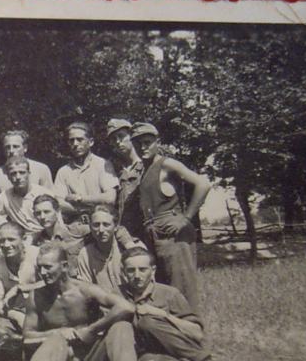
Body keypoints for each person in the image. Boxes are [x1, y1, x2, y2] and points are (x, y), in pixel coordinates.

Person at [9, 243, 153, 361]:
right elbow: (27, 336)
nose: (42, 272)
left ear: (64, 266)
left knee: (121, 325)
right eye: (39, 267)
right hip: (62, 359)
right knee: (56, 339)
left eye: (48, 267)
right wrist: (58, 332)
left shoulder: (84, 290)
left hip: (92, 354)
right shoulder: (36, 297)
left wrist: (91, 329)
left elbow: (126, 307)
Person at [117, 246, 263, 361]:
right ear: (123, 272)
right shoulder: (119, 296)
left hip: (185, 352)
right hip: (156, 357)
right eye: (131, 270)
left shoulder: (169, 294)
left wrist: (164, 315)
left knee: (147, 322)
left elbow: (197, 333)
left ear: (153, 270)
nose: (137, 275)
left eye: (142, 269)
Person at [129, 122, 210, 310]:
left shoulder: (166, 164)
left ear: (157, 142)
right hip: (154, 233)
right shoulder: (144, 171)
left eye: (147, 142)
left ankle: (192, 326)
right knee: (163, 289)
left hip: (172, 231)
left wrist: (186, 218)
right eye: (138, 144)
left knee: (182, 287)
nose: (143, 147)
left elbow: (203, 184)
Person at [53, 121, 120, 240]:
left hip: (101, 228)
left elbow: (110, 198)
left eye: (80, 140)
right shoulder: (63, 171)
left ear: (91, 142)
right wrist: (87, 209)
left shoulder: (103, 165)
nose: (75, 144)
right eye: (71, 140)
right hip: (74, 229)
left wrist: (79, 198)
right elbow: (58, 203)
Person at [0, 221, 39, 350]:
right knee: (3, 333)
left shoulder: (37, 255)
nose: (6, 245)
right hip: (13, 312)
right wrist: (16, 315)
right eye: (2, 240)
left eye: (11, 239)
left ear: (24, 239)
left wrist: (21, 288)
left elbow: (53, 283)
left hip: (40, 308)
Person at [75, 204, 134, 295]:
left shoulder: (129, 248)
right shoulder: (85, 254)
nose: (101, 230)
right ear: (90, 227)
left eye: (106, 225)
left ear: (115, 226)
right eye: (96, 225)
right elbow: (86, 290)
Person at [106, 118, 145, 242]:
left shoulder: (147, 165)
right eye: (113, 139)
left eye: (121, 136)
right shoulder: (114, 170)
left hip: (145, 230)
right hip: (124, 233)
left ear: (131, 136)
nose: (118, 142)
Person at [0, 156, 52, 239]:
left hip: (46, 236)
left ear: (29, 173)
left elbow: (57, 220)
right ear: (8, 176)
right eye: (13, 173)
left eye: (22, 172)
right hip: (21, 238)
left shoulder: (44, 193)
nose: (18, 177)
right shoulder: (4, 197)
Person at [31, 192, 82, 276]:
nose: (42, 216)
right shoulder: (36, 241)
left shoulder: (75, 231)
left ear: (57, 211)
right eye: (38, 213)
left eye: (47, 212)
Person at [0, 129, 53, 194]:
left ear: (25, 148)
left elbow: (49, 196)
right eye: (7, 147)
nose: (11, 151)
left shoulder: (41, 169)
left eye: (15, 146)